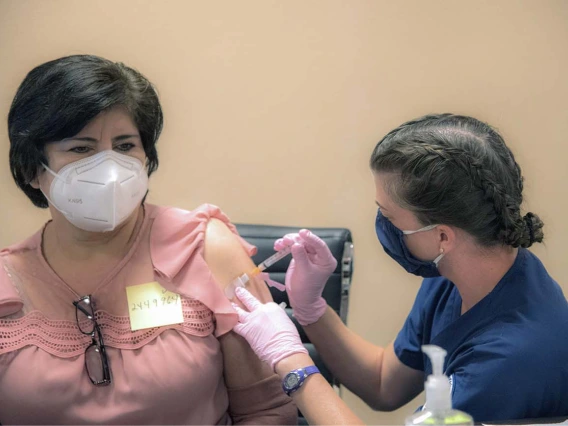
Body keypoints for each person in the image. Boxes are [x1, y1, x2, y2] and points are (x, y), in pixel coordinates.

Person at [0, 54, 297, 424]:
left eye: (125, 146)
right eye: (81, 148)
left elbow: (267, 410)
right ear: (32, 169)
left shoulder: (206, 250)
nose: (109, 170)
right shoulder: (6, 282)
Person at [231, 114, 568, 425]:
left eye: (389, 216)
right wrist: (311, 309)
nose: (383, 224)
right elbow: (383, 384)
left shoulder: (504, 363)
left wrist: (292, 363)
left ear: (441, 236)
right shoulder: (457, 276)